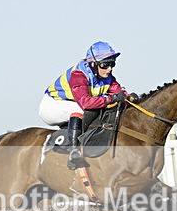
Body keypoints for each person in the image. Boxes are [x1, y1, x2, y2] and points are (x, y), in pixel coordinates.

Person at [39, 41, 137, 170]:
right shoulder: (78, 75)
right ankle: (74, 151)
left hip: (73, 103)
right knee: (82, 110)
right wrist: (111, 98)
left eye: (112, 64)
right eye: (105, 65)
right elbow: (86, 103)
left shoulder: (106, 76)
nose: (109, 69)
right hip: (52, 106)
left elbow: (118, 93)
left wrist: (129, 97)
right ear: (93, 64)